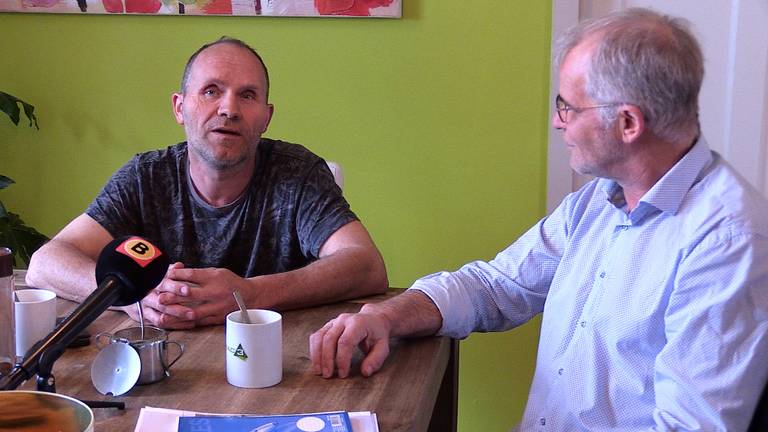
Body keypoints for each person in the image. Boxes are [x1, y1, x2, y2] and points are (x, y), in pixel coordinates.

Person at [309, 8, 768, 431]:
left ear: (628, 123)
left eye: (568, 106)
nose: (556, 121)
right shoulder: (597, 203)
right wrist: (387, 316)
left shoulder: (728, 240)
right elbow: (494, 286)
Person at [26, 37, 388, 329]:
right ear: (180, 107)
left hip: (275, 367)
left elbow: (366, 266)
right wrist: (128, 296)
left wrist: (250, 292)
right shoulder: (145, 176)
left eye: (247, 95)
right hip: (167, 366)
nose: (229, 109)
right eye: (211, 91)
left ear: (266, 116)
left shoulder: (297, 174)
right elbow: (45, 263)